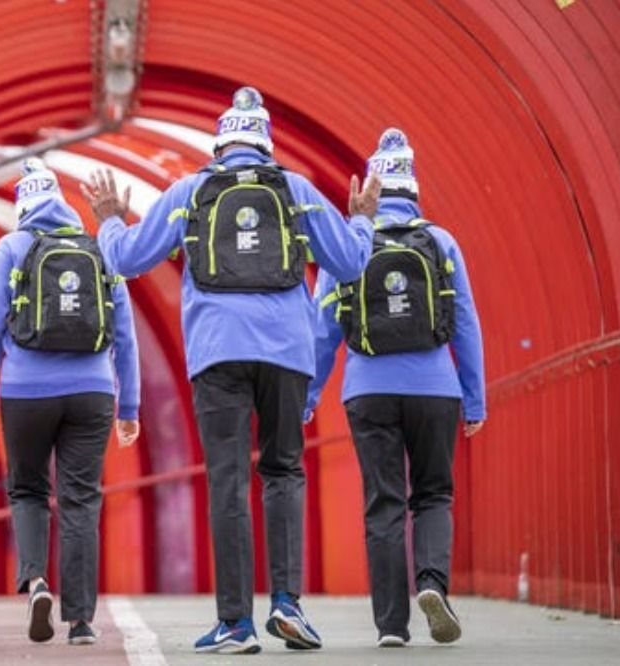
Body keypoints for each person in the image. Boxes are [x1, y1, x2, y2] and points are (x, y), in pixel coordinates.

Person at [80, 86, 379, 655]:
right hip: (287, 352)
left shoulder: (192, 192)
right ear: (266, 143)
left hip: (217, 353)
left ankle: (236, 624)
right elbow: (350, 262)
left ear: (220, 144)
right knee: (285, 470)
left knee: (228, 482)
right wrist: (362, 221)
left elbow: (123, 259)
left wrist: (112, 220)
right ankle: (288, 604)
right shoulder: (297, 191)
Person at [306, 128, 485, 648]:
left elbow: (324, 326)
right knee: (432, 494)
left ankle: (390, 626)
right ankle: (432, 584)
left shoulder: (349, 239)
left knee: (383, 502)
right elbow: (466, 323)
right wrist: (474, 399)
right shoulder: (441, 242)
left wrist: (310, 394)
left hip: (368, 387)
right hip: (435, 387)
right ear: (415, 188)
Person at [0, 157, 141, 646]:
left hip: (25, 391)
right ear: (62, 203)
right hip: (91, 392)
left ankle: (36, 582)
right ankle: (82, 620)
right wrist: (129, 407)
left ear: (23, 205)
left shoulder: (12, 247)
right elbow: (124, 334)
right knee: (81, 500)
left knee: (26, 489)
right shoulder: (99, 249)